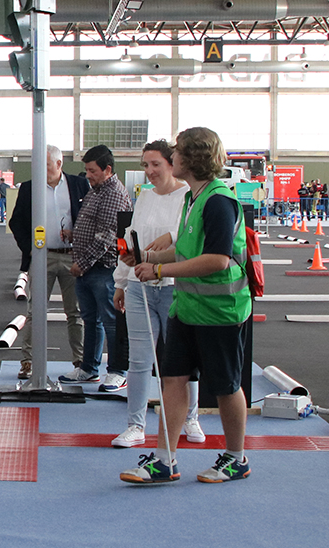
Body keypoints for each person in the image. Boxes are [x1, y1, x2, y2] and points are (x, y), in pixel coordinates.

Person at [121, 126, 252, 485]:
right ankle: (165, 460)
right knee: (173, 379)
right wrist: (145, 256)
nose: (172, 156)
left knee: (226, 386)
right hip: (188, 308)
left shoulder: (219, 201)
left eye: (176, 152)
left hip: (220, 313)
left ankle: (236, 458)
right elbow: (187, 250)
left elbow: (217, 260)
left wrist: (159, 268)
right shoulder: (193, 199)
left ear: (191, 158)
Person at [111, 140, 204, 448]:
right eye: (145, 165)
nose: (150, 171)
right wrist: (121, 283)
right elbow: (131, 240)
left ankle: (190, 417)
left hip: (174, 287)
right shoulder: (145, 198)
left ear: (171, 164)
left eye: (156, 165)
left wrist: (173, 236)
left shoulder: (189, 197)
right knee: (138, 360)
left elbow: (195, 238)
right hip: (139, 287)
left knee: (180, 360)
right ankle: (135, 425)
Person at [9, 145, 88, 379]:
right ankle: (28, 362)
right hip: (42, 256)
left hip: (74, 256)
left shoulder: (79, 185)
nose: (40, 169)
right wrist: (30, 249)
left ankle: (81, 362)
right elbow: (16, 222)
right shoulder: (30, 189)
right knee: (36, 312)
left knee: (75, 313)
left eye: (44, 165)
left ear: (59, 164)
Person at [60, 145, 130, 390]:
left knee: (111, 320)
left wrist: (82, 263)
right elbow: (92, 227)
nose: (87, 175)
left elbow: (108, 236)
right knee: (92, 320)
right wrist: (73, 234)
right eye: (86, 170)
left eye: (92, 170)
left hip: (103, 268)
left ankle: (118, 370)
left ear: (107, 169)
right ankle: (89, 368)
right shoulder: (96, 192)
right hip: (90, 269)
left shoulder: (113, 194)